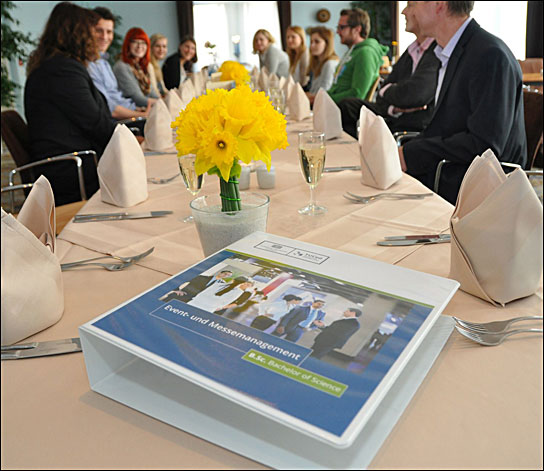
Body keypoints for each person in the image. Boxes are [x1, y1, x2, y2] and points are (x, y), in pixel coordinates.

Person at [398, 1, 527, 204]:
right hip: (454, 174)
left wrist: (413, 153)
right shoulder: (453, 51)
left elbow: (485, 146)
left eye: (413, 4)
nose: (406, 11)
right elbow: (448, 127)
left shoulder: (489, 55)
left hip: (480, 192)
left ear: (439, 4)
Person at [24, 2, 116, 206]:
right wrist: (132, 134)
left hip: (73, 161)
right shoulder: (62, 71)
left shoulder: (58, 65)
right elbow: (95, 123)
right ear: (78, 34)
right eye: (93, 32)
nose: (97, 38)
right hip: (70, 170)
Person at [338, 1, 440, 138]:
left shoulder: (438, 50)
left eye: (410, 6)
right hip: (395, 117)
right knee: (346, 107)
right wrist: (395, 106)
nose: (403, 12)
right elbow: (383, 92)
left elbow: (415, 94)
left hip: (414, 127)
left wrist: (394, 92)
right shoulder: (411, 50)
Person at [87, 7, 149, 121]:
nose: (105, 37)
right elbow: (110, 108)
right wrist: (142, 115)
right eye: (99, 31)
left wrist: (138, 110)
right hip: (116, 123)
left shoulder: (104, 63)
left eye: (109, 32)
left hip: (130, 114)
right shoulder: (89, 65)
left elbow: (117, 97)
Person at [327, 8, 389, 104]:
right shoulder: (353, 51)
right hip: (335, 106)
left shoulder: (365, 53)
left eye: (342, 27)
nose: (338, 32)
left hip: (344, 112)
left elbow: (358, 94)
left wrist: (326, 99)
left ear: (357, 29)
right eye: (338, 27)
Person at [113, 27, 159, 108]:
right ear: (128, 44)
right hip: (134, 114)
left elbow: (151, 92)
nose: (139, 46)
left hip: (146, 110)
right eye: (135, 42)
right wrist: (162, 103)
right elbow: (137, 99)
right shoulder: (122, 67)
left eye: (143, 42)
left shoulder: (139, 66)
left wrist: (163, 101)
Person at [305, 26, 339, 105]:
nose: (312, 45)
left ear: (327, 44)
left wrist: (305, 95)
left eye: (317, 42)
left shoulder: (329, 64)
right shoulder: (317, 63)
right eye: (311, 42)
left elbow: (324, 93)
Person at [188, 277, 254, 314]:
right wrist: (220, 306)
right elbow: (225, 301)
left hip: (196, 302)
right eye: (246, 284)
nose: (246, 286)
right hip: (208, 307)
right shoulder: (237, 292)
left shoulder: (219, 284)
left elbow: (202, 293)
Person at [159, 270, 233, 303]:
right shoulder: (202, 277)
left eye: (228, 276)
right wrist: (176, 290)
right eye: (225, 274)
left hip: (194, 300)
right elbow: (182, 280)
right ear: (220, 272)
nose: (226, 276)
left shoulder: (220, 285)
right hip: (182, 294)